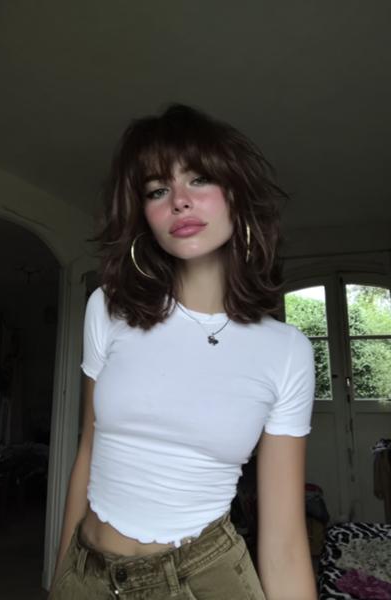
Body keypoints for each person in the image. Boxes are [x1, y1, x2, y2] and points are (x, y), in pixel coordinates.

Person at [49, 104, 317, 600]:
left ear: (236, 196)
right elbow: (88, 450)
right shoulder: (107, 308)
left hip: (203, 580)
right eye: (158, 190)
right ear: (145, 216)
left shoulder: (286, 352)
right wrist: (62, 579)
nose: (179, 201)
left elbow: (283, 541)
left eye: (199, 179)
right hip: (87, 572)